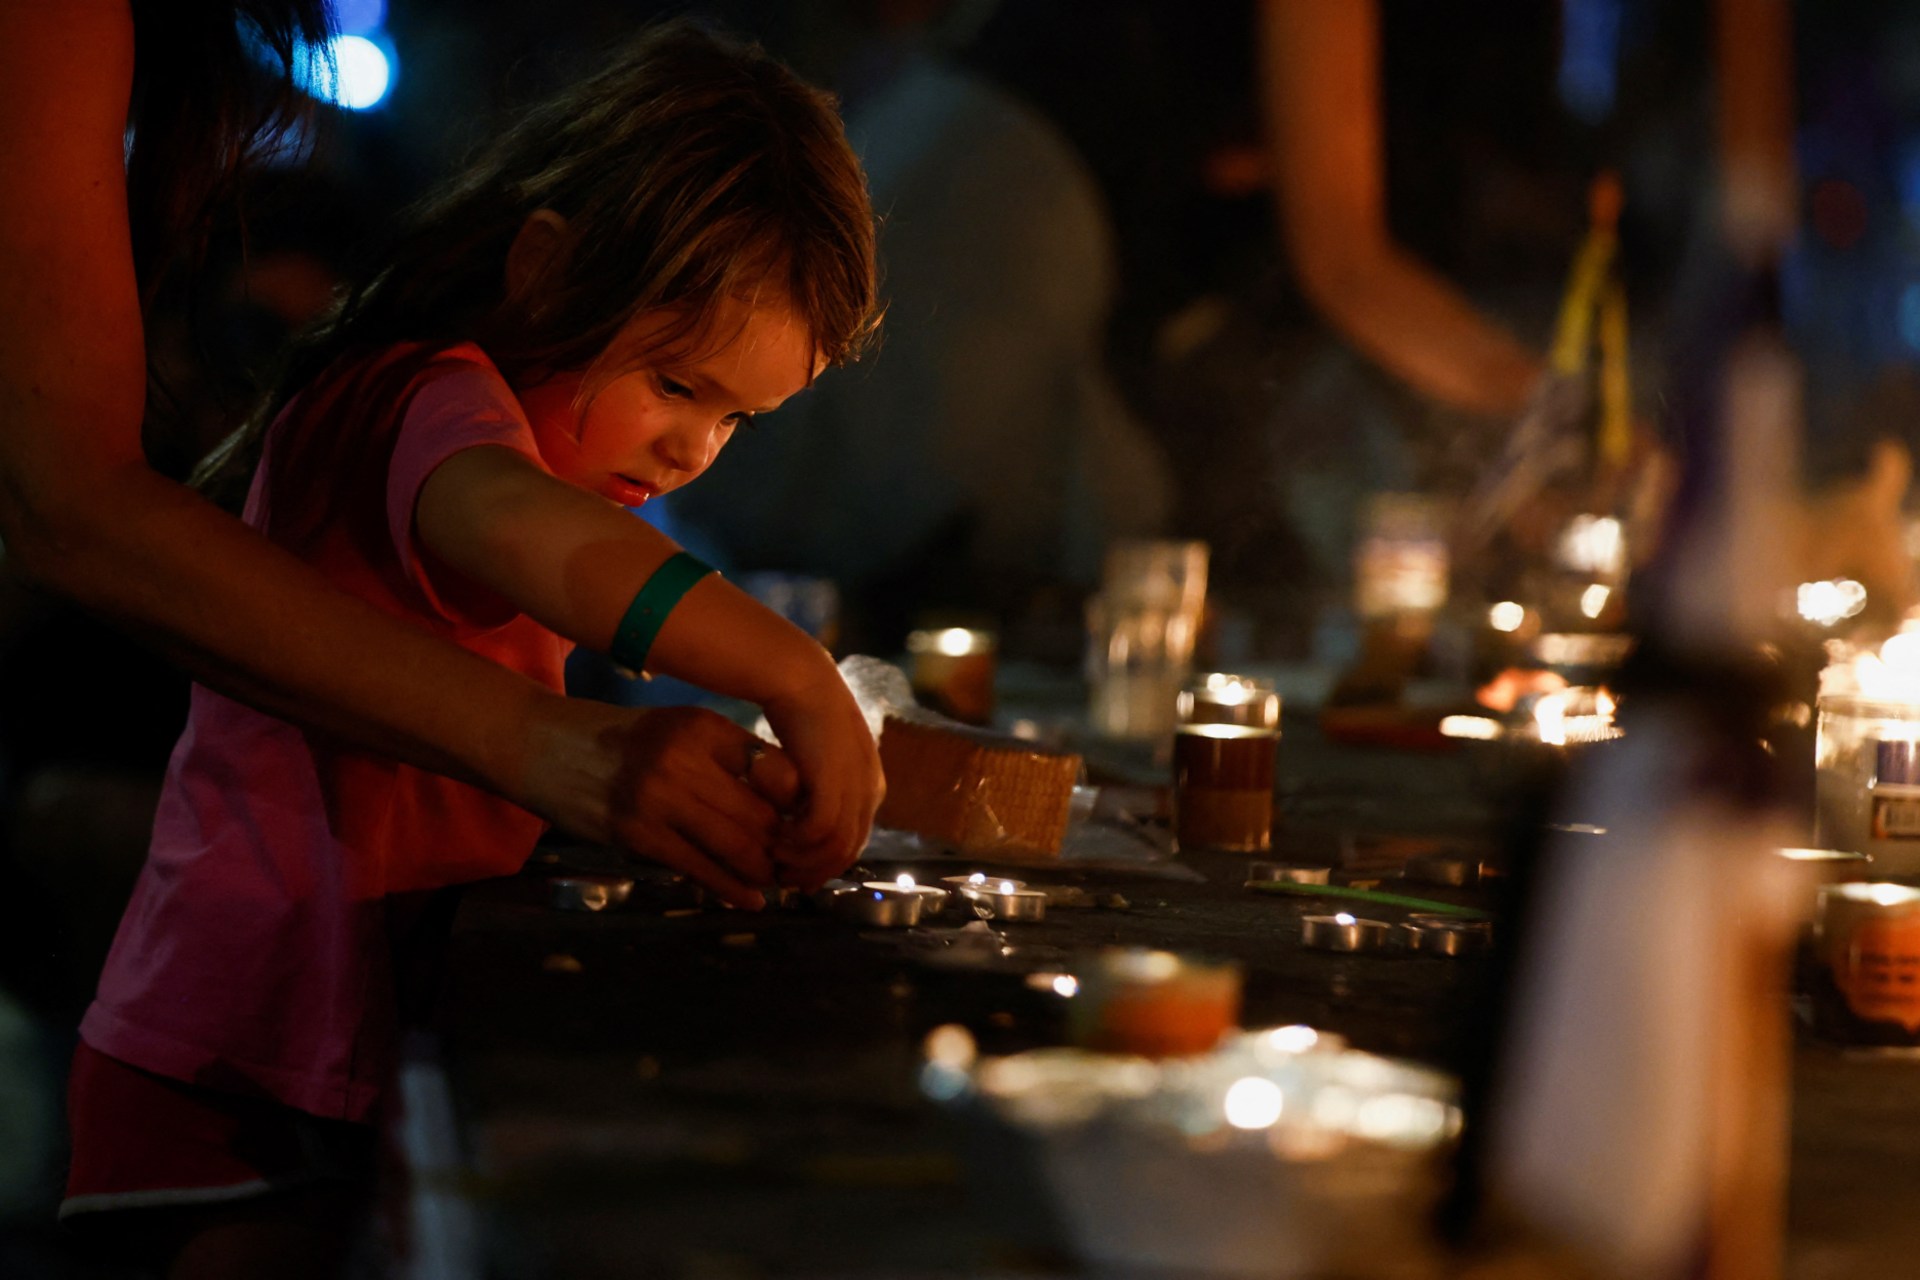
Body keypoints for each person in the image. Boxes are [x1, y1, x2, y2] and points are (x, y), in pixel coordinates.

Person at [55, 21, 881, 1278]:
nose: (692, 451)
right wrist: (793, 671)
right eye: (674, 383)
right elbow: (518, 528)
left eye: (738, 419)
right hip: (239, 1058)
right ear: (547, 269)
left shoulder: (505, 423)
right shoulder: (425, 400)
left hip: (335, 1039)